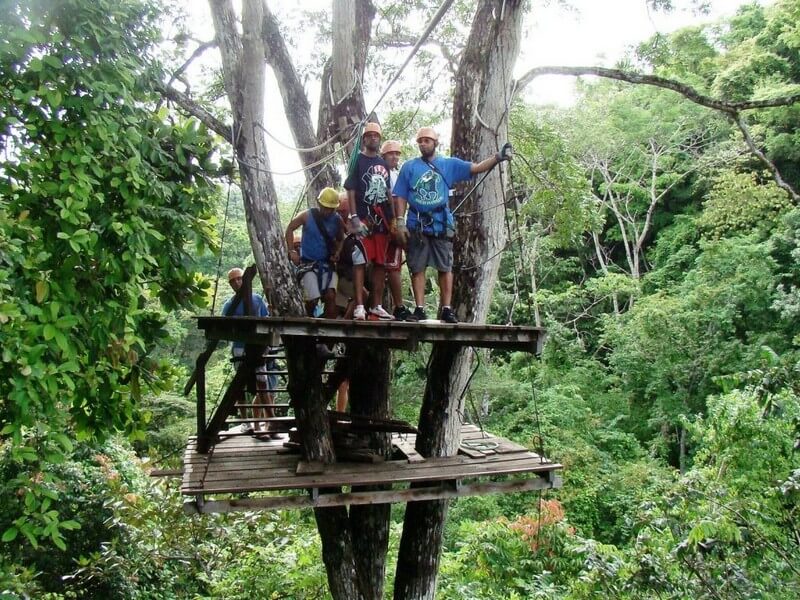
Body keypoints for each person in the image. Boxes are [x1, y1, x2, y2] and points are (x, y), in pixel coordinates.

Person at [393, 127, 512, 323]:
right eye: (420, 141)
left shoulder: (448, 164)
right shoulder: (409, 167)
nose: (423, 144)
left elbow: (476, 167)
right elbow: (401, 195)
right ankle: (420, 309)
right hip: (417, 222)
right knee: (417, 266)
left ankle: (447, 309)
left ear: (435, 143)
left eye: (427, 140)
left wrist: (498, 157)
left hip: (440, 222)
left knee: (445, 266)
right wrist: (399, 221)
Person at [344, 122, 400, 321]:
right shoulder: (357, 161)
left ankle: (376, 305)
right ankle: (360, 305)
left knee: (380, 263)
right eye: (370, 135)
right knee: (359, 260)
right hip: (364, 218)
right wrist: (354, 217)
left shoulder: (383, 163)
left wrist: (394, 219)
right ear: (364, 139)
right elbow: (350, 189)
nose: (374, 138)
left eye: (377, 135)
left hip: (382, 220)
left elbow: (387, 192)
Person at [222, 267, 279, 436]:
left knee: (262, 383)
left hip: (257, 347)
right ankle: (246, 421)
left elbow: (266, 320)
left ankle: (270, 420)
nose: (237, 283)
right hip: (239, 347)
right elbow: (225, 326)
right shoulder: (228, 305)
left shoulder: (256, 300)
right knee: (240, 383)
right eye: (233, 280)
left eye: (239, 279)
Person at [284, 187, 346, 319]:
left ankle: (329, 332)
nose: (327, 211)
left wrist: (338, 252)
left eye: (331, 208)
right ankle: (308, 326)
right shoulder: (307, 215)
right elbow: (290, 228)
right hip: (308, 265)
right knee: (312, 298)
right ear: (319, 204)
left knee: (330, 296)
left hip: (327, 265)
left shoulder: (337, 220)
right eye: (325, 207)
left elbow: (341, 239)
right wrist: (291, 250)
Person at [380, 139, 416, 322]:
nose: (394, 157)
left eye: (397, 154)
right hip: (386, 224)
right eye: (390, 154)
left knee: (393, 265)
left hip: (394, 222)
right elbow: (389, 200)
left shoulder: (395, 174)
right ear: (384, 156)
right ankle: (398, 306)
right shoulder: (382, 174)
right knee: (391, 266)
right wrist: (394, 222)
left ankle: (397, 305)